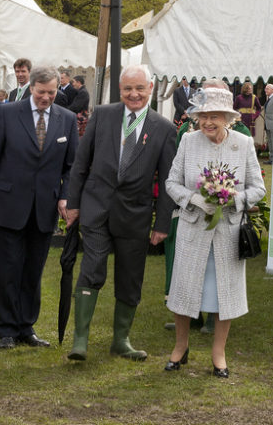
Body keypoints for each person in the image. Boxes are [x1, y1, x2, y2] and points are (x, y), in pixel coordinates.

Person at [64, 65, 176, 361]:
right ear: (120, 90)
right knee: (93, 265)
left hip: (135, 216)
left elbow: (167, 182)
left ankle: (121, 341)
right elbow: (81, 163)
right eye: (127, 89)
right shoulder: (102, 115)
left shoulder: (164, 129)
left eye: (139, 88)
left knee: (130, 277)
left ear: (151, 89)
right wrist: (73, 203)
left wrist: (162, 223)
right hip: (96, 208)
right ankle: (80, 341)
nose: (133, 94)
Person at [164, 86, 266, 378]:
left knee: (225, 294)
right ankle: (180, 348)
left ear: (228, 118)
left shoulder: (243, 144)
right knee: (183, 289)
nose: (208, 122)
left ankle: (218, 353)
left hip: (227, 232)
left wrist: (233, 198)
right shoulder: (187, 141)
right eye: (203, 116)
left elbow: (258, 188)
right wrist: (194, 199)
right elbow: (172, 182)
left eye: (215, 117)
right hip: (193, 228)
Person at [0, 66, 78, 349]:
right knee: (8, 269)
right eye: (41, 92)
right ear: (31, 87)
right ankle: (6, 329)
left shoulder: (66, 119)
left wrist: (65, 196)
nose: (46, 97)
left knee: (33, 270)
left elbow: (72, 165)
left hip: (44, 207)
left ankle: (26, 326)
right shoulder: (8, 114)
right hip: (8, 203)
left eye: (52, 92)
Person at [262, 84, 273, 164]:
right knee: (270, 142)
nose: (265, 90)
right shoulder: (269, 98)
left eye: (267, 89)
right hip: (268, 123)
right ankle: (271, 159)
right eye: (265, 88)